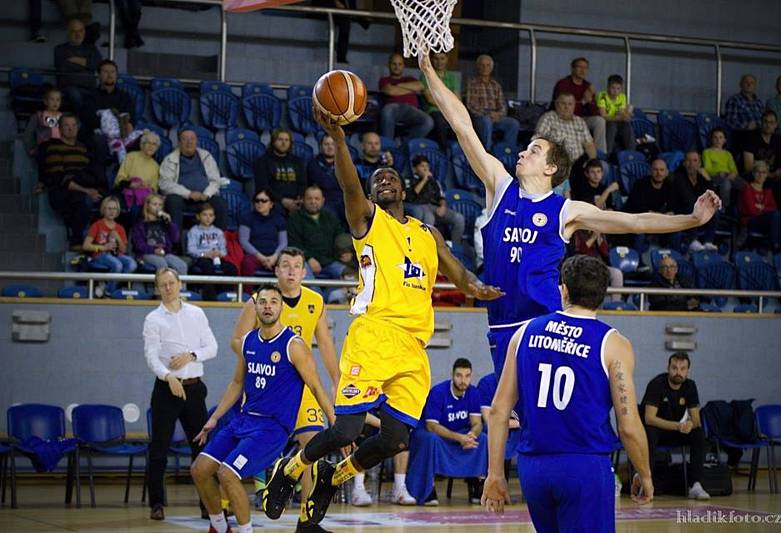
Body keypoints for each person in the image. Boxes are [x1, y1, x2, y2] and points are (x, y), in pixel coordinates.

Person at [260, 105, 502, 528]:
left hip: (413, 347)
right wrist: (337, 137)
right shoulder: (366, 220)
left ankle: (333, 477)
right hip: (373, 335)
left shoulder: (428, 234)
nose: (383, 180)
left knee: (395, 438)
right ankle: (292, 468)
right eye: (377, 181)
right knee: (347, 430)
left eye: (390, 176)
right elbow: (349, 182)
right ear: (371, 196)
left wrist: (475, 288)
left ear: (405, 189)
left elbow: (456, 269)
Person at [419, 51, 720, 380]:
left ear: (550, 168)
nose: (522, 151)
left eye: (534, 150)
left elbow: (634, 221)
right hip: (502, 324)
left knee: (541, 416)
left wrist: (690, 220)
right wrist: (429, 73)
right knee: (512, 416)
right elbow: (463, 126)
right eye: (526, 147)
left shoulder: (565, 210)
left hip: (544, 324)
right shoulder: (499, 187)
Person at [482, 255, 653, 531]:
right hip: (583, 466)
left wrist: (495, 474)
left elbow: (500, 411)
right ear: (602, 296)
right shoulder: (613, 343)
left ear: (563, 290)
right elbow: (629, 426)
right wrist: (644, 473)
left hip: (533, 469)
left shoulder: (524, 333)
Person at [192, 284, 335, 533]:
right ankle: (218, 526)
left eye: (273, 302)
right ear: (255, 307)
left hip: (271, 429)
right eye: (263, 302)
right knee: (199, 470)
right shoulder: (248, 341)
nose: (267, 306)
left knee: (227, 474)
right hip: (243, 420)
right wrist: (214, 418)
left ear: (281, 307)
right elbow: (237, 383)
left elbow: (316, 386)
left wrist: (336, 423)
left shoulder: (293, 345)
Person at [230, 249, 340, 533]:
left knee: (313, 448)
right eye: (285, 266)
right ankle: (248, 494)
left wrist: (336, 379)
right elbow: (236, 341)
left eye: (297, 266)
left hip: (301, 387)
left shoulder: (315, 301)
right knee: (244, 452)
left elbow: (326, 344)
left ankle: (307, 521)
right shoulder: (260, 301)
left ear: (304, 273)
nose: (291, 271)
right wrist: (265, 354)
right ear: (276, 270)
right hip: (266, 389)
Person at [143, 267, 218, 521]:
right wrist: (168, 376)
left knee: (202, 447)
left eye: (171, 283)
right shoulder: (153, 319)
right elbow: (151, 356)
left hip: (194, 388)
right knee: (159, 448)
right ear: (157, 289)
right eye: (162, 284)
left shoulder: (196, 313)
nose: (167, 288)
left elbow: (212, 347)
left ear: (179, 284)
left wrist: (192, 355)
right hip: (166, 390)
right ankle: (156, 503)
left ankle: (207, 505)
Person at [406, 358, 486, 506]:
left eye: (467, 376)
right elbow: (432, 426)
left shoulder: (473, 393)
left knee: (483, 438)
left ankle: (476, 483)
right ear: (452, 375)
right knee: (430, 439)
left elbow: (477, 423)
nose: (463, 380)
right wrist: (459, 438)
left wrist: (471, 435)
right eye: (459, 376)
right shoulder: (438, 392)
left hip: (459, 434)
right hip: (435, 433)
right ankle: (427, 488)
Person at [642, 352, 710, 500]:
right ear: (668, 368)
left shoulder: (690, 386)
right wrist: (678, 426)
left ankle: (695, 485)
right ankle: (647, 482)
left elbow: (696, 419)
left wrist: (690, 424)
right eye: (674, 368)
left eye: (682, 368)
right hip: (658, 431)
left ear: (687, 371)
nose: (678, 372)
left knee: (698, 433)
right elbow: (649, 419)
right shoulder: (657, 384)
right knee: (649, 432)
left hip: (677, 431)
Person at [38, 113, 104, 247]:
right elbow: (59, 178)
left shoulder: (83, 148)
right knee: (85, 200)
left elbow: (91, 173)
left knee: (111, 200)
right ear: (60, 128)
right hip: (62, 191)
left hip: (84, 187)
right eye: (66, 125)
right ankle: (77, 239)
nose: (71, 128)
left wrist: (94, 190)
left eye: (74, 125)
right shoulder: (54, 147)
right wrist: (87, 191)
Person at [159, 128, 228, 230]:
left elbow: (216, 180)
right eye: (185, 139)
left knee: (221, 203)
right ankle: (176, 243)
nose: (189, 142)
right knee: (172, 201)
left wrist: (206, 194)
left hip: (205, 198)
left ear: (197, 141)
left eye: (192, 139)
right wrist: (188, 194)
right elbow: (165, 183)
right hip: (182, 198)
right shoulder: (169, 159)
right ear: (179, 142)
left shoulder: (206, 156)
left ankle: (220, 240)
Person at [288, 185, 349, 279]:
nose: (313, 202)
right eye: (309, 199)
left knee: (349, 275)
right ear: (303, 200)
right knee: (306, 279)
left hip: (330, 261)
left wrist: (345, 252)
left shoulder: (330, 217)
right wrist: (309, 258)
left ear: (323, 200)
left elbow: (340, 237)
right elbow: (294, 244)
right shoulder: (295, 218)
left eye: (317, 199)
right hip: (306, 261)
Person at [404, 155, 465, 246]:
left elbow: (441, 197)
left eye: (427, 166)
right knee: (429, 217)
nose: (425, 169)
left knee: (459, 218)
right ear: (415, 169)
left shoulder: (434, 181)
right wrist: (424, 179)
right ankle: (428, 246)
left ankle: (454, 246)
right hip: (419, 206)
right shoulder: (409, 180)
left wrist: (443, 206)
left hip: (434, 207)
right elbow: (411, 196)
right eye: (422, 166)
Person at [82, 196, 137, 296]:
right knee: (117, 265)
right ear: (103, 209)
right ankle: (110, 292)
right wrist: (103, 247)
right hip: (100, 254)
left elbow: (123, 250)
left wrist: (118, 237)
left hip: (116, 255)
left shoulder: (120, 228)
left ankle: (107, 285)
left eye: (115, 209)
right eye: (109, 208)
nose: (112, 211)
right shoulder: (97, 225)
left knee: (132, 264)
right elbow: (85, 246)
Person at [551, 57, 607, 153]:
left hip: (582, 119)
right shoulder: (563, 84)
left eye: (585, 68)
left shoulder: (587, 85)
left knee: (599, 121)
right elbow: (563, 110)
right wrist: (583, 101)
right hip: (562, 118)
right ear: (572, 69)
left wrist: (592, 99)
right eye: (580, 67)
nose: (583, 70)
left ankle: (600, 154)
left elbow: (594, 112)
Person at [464, 54, 519, 150]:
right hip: (480, 117)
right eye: (482, 65)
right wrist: (487, 114)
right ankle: (487, 151)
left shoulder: (496, 85)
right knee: (486, 121)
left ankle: (505, 150)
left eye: (488, 65)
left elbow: (502, 106)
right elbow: (470, 105)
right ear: (478, 67)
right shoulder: (472, 83)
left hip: (495, 116)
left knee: (513, 123)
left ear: (491, 68)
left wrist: (497, 114)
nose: (485, 68)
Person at [187, 202, 238, 299]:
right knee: (208, 267)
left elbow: (224, 250)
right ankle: (209, 297)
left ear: (214, 217)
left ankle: (225, 295)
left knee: (231, 268)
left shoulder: (218, 232)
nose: (208, 218)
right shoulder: (194, 231)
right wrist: (204, 254)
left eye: (211, 215)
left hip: (217, 258)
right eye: (204, 215)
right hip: (202, 258)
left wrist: (219, 253)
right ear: (198, 216)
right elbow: (191, 249)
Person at [623, 159, 675, 253]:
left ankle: (675, 256)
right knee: (640, 231)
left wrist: (669, 213)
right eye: (655, 170)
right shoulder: (641, 185)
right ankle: (639, 261)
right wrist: (662, 215)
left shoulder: (669, 186)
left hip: (656, 219)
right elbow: (639, 210)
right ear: (650, 171)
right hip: (636, 219)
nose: (658, 173)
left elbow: (672, 207)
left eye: (662, 170)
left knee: (676, 228)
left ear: (667, 172)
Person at [379, 53, 434, 141]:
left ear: (403, 66)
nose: (397, 67)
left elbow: (420, 86)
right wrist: (410, 89)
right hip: (393, 107)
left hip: (412, 109)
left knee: (428, 121)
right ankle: (388, 145)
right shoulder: (384, 80)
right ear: (389, 65)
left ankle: (404, 144)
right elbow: (390, 91)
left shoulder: (410, 78)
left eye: (400, 64)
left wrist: (397, 86)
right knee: (387, 111)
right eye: (394, 64)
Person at [738, 160, 781, 252]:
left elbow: (774, 208)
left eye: (764, 172)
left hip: (765, 220)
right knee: (775, 215)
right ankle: (773, 244)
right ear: (753, 173)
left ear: (767, 175)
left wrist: (762, 208)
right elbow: (751, 210)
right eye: (758, 172)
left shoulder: (767, 191)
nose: (761, 175)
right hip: (751, 221)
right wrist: (765, 209)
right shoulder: (748, 189)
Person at [131, 193, 188, 276]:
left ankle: (181, 289)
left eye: (160, 205)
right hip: (147, 253)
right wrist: (154, 250)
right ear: (147, 206)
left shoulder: (164, 223)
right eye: (154, 204)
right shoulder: (140, 225)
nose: (158, 207)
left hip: (164, 253)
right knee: (162, 264)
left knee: (182, 265)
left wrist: (169, 223)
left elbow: (175, 239)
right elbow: (139, 245)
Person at [672, 150, 719, 252]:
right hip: (680, 210)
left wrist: (708, 180)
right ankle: (693, 240)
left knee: (714, 208)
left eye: (694, 161)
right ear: (684, 163)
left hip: (698, 211)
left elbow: (713, 196)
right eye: (688, 161)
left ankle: (708, 241)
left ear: (699, 164)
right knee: (692, 206)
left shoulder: (701, 177)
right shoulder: (679, 176)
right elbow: (686, 198)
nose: (691, 164)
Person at [254, 128, 307, 216]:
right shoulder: (263, 161)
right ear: (273, 142)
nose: (284, 143)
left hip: (295, 200)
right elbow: (263, 187)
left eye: (287, 140)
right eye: (280, 139)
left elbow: (303, 183)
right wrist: (282, 200)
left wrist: (299, 198)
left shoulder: (297, 162)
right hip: (274, 201)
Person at [53, 18, 102, 111]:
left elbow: (98, 65)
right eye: (74, 31)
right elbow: (63, 68)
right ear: (68, 32)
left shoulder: (91, 48)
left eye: (80, 30)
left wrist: (75, 60)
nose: (78, 34)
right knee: (74, 94)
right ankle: (81, 120)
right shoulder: (60, 49)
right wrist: (87, 64)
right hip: (69, 89)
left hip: (90, 89)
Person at [536, 92, 597, 164]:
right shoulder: (548, 118)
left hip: (579, 164)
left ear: (574, 106)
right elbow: (538, 141)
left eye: (570, 104)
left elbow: (589, 145)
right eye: (563, 103)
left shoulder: (580, 121)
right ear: (556, 104)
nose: (567, 107)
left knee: (603, 168)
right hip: (557, 162)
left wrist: (592, 163)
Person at [113, 130, 160, 220]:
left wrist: (146, 188)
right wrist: (131, 184)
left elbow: (154, 189)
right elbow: (119, 179)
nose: (151, 146)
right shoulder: (131, 157)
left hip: (144, 198)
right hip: (127, 192)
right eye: (148, 143)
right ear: (142, 144)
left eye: (154, 144)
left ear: (157, 148)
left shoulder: (156, 166)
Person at [239, 189, 287, 276]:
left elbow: (283, 242)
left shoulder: (279, 219)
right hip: (254, 256)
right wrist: (261, 257)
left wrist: (275, 256)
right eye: (257, 201)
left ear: (271, 204)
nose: (260, 203)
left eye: (264, 201)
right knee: (246, 264)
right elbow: (244, 241)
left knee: (287, 264)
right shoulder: (247, 218)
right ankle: (246, 290)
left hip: (275, 256)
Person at [420, 52, 460, 149]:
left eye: (442, 58)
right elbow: (430, 99)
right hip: (434, 111)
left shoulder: (452, 77)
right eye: (436, 59)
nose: (439, 62)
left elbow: (457, 99)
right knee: (440, 121)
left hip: (451, 111)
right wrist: (448, 105)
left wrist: (449, 107)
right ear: (431, 60)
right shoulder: (426, 76)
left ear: (447, 59)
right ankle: (443, 151)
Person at [572, 230, 624, 300]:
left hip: (599, 264)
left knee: (617, 273)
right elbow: (581, 250)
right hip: (584, 265)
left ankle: (616, 304)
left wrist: (599, 238)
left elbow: (605, 253)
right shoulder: (578, 232)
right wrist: (593, 237)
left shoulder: (599, 231)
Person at [307, 134, 346, 225]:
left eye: (333, 144)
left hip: (343, 199)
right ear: (320, 146)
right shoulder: (313, 164)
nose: (330, 147)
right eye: (326, 144)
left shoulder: (344, 163)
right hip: (324, 200)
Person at [702, 128, 742, 212]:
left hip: (728, 175)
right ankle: (724, 207)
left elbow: (734, 170)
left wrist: (733, 174)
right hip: (715, 176)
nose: (718, 140)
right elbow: (708, 169)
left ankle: (743, 207)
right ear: (711, 139)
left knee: (745, 185)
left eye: (720, 137)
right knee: (726, 183)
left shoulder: (728, 154)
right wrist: (719, 173)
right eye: (715, 137)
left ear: (725, 140)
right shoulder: (707, 152)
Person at [725, 74, 764, 155]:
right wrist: (746, 126)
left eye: (752, 83)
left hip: (759, 135)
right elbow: (729, 122)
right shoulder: (734, 100)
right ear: (741, 84)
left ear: (755, 86)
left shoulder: (759, 102)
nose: (749, 84)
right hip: (742, 136)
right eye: (746, 82)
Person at [596, 74, 635, 152]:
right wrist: (619, 117)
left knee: (627, 125)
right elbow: (603, 116)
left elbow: (620, 113)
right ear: (608, 87)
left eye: (618, 88)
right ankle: (607, 154)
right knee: (612, 126)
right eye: (613, 88)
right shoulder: (602, 95)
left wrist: (627, 115)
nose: (615, 91)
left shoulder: (622, 97)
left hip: (617, 120)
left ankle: (632, 153)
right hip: (606, 122)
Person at [24, 87, 62, 156]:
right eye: (52, 99)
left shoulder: (63, 117)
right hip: (44, 150)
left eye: (58, 100)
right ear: (45, 101)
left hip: (60, 149)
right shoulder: (39, 116)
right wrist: (31, 149)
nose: (55, 102)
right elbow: (28, 133)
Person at [742, 111, 780, 176]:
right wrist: (770, 174)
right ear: (761, 123)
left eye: (771, 122)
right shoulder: (751, 138)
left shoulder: (777, 139)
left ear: (776, 125)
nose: (768, 125)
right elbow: (748, 168)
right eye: (765, 121)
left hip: (770, 175)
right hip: (753, 176)